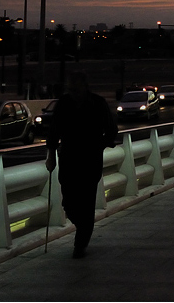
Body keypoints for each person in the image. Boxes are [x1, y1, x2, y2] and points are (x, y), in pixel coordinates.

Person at [45, 71, 118, 258]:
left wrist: (99, 145)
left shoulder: (98, 103)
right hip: (69, 158)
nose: (73, 93)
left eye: (75, 89)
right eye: (70, 89)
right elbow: (54, 130)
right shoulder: (64, 103)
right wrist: (51, 154)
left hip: (90, 160)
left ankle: (80, 244)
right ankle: (82, 228)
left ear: (85, 87)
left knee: (86, 203)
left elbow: (111, 131)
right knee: (69, 202)